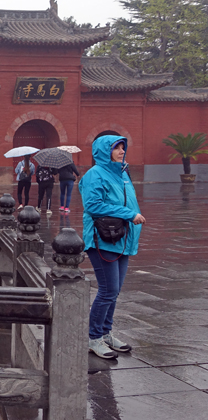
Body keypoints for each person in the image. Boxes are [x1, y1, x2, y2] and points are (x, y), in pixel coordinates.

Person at [79, 135, 145, 359]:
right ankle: (93, 338)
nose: (121, 151)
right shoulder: (94, 175)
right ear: (104, 151)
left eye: (122, 147)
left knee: (114, 292)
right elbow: (93, 205)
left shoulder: (123, 173)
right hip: (102, 238)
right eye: (116, 147)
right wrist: (130, 214)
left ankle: (105, 333)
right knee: (107, 291)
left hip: (122, 238)